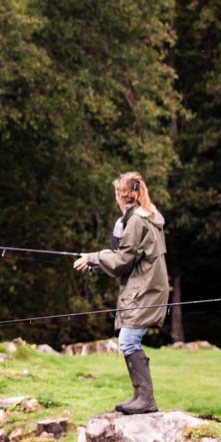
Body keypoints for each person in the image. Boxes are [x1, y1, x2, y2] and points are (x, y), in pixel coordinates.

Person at [72, 172, 170, 415]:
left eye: (116, 194)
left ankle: (145, 399)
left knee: (128, 341)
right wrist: (98, 262)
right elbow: (128, 258)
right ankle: (140, 396)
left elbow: (122, 262)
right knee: (129, 340)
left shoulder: (137, 221)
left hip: (144, 292)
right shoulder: (149, 217)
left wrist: (93, 257)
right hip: (148, 290)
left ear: (122, 195)